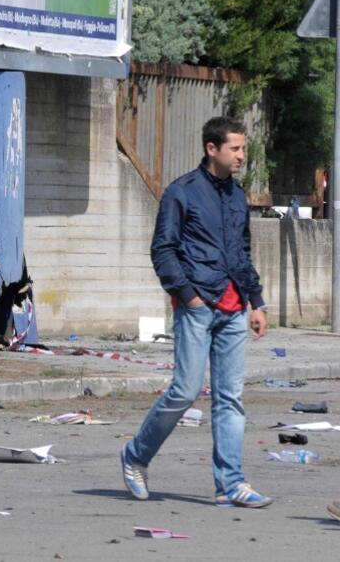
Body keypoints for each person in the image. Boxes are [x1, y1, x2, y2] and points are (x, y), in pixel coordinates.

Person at [120, 116, 271, 508]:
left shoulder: (237, 196)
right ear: (212, 149)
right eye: (235, 148)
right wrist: (188, 296)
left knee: (230, 397)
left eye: (243, 148)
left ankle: (231, 483)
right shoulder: (181, 192)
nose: (241, 156)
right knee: (185, 391)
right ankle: (135, 456)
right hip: (198, 305)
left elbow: (242, 252)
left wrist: (256, 302)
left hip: (234, 307)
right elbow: (163, 250)